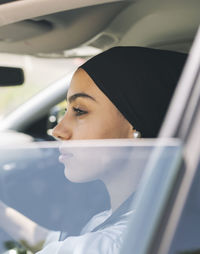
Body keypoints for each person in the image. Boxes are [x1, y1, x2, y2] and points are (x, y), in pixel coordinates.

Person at [0, 47, 187, 254]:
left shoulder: (116, 244)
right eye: (65, 110)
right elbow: (57, 245)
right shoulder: (149, 218)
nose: (57, 130)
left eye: (79, 111)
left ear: (136, 125)